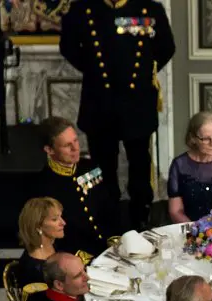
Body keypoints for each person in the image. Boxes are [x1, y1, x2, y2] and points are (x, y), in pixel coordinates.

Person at [58, 0, 174, 230]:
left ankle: (141, 212)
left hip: (137, 102)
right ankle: (106, 214)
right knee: (102, 166)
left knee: (140, 164)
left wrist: (141, 75)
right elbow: (68, 47)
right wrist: (94, 71)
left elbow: (166, 48)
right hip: (99, 102)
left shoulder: (150, 9)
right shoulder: (82, 9)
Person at [35, 117, 120, 259]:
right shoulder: (44, 187)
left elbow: (109, 207)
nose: (75, 149)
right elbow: (52, 236)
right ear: (49, 150)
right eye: (67, 145)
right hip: (77, 258)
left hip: (108, 247)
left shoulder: (91, 167)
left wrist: (115, 239)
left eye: (75, 141)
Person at [17, 196, 66, 288]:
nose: (63, 222)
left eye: (61, 217)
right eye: (55, 219)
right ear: (38, 226)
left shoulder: (54, 245)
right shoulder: (35, 269)